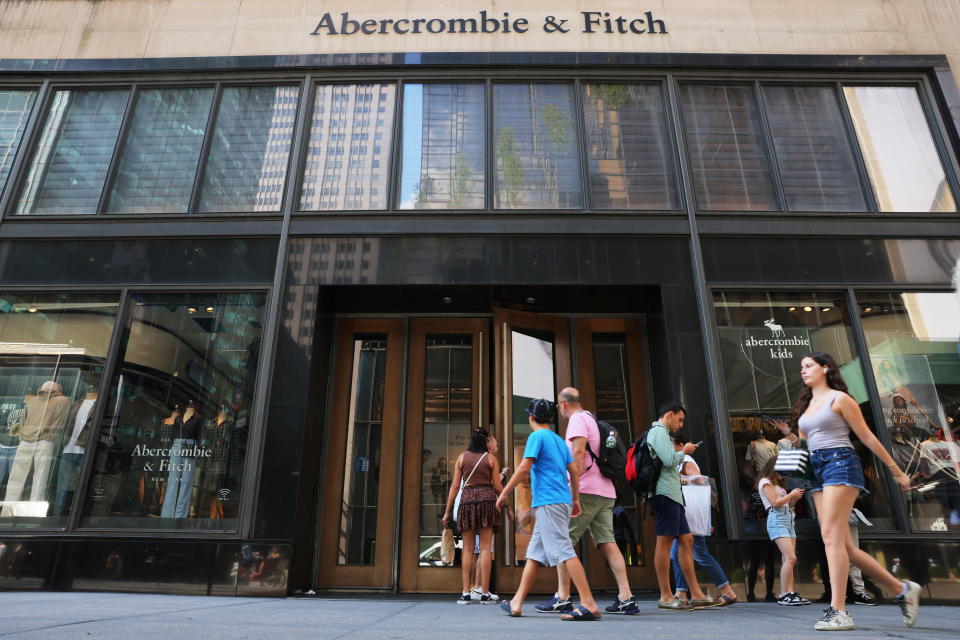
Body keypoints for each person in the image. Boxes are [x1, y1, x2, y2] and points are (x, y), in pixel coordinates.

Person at [775, 352, 920, 631]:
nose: (803, 371)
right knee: (845, 547)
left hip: (840, 462)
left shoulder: (840, 399)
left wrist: (896, 470)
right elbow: (805, 443)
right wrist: (792, 451)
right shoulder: (807, 405)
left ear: (825, 368)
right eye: (801, 367)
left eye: (809, 366)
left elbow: (866, 436)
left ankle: (839, 611)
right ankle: (902, 589)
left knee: (831, 537)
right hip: (816, 469)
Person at [495, 398, 601, 620]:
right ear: (551, 419)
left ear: (531, 417)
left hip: (549, 501)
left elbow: (525, 467)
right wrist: (575, 499)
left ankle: (588, 603)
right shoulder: (559, 441)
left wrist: (504, 492)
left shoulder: (537, 436)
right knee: (534, 554)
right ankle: (516, 602)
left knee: (563, 550)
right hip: (559, 500)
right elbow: (573, 470)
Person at [535, 387, 637, 615]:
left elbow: (579, 454)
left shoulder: (577, 420)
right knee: (607, 542)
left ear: (563, 404)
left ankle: (562, 596)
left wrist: (574, 491)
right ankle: (626, 597)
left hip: (587, 490)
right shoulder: (591, 417)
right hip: (605, 491)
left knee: (563, 541)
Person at [646, 400, 716, 610]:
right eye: (680, 419)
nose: (681, 424)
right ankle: (666, 595)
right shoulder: (658, 432)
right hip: (664, 493)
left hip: (673, 495)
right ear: (669, 415)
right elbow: (669, 460)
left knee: (686, 540)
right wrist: (684, 450)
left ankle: (695, 593)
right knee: (665, 541)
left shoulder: (662, 433)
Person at [668, 433, 738, 606]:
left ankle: (727, 591)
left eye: (670, 443)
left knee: (698, 553)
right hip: (688, 515)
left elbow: (700, 481)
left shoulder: (686, 460)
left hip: (691, 515)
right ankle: (681, 593)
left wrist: (679, 479)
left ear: (680, 445)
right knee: (678, 553)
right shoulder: (678, 460)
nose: (667, 446)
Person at [442, 426, 504, 604]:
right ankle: (484, 593)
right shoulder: (491, 459)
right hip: (486, 501)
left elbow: (454, 487)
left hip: (467, 502)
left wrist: (447, 512)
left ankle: (466, 593)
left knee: (468, 549)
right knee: (485, 549)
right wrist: (506, 505)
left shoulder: (462, 458)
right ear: (486, 442)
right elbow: (498, 487)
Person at [756, 455, 809, 606]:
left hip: (787, 519)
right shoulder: (765, 482)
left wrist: (793, 499)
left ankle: (789, 593)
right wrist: (790, 495)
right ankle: (785, 594)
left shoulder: (778, 484)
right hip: (777, 519)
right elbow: (774, 503)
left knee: (788, 559)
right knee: (790, 557)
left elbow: (785, 504)